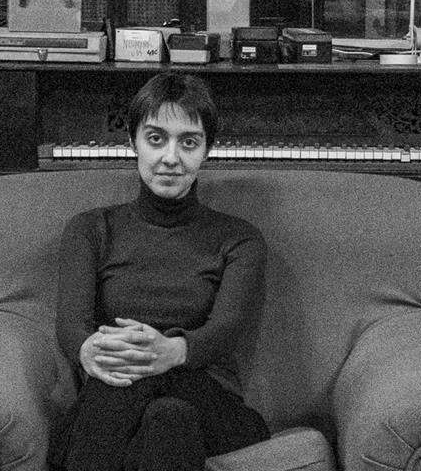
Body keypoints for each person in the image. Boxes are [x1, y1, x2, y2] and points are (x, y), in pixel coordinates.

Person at [51, 73, 271, 471]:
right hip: (122, 399)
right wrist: (88, 350)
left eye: (189, 142)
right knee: (167, 417)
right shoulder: (90, 230)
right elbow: (71, 325)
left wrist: (170, 353)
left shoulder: (239, 239)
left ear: (206, 150)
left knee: (134, 384)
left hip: (211, 401)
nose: (171, 157)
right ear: (133, 141)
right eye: (156, 139)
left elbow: (225, 331)